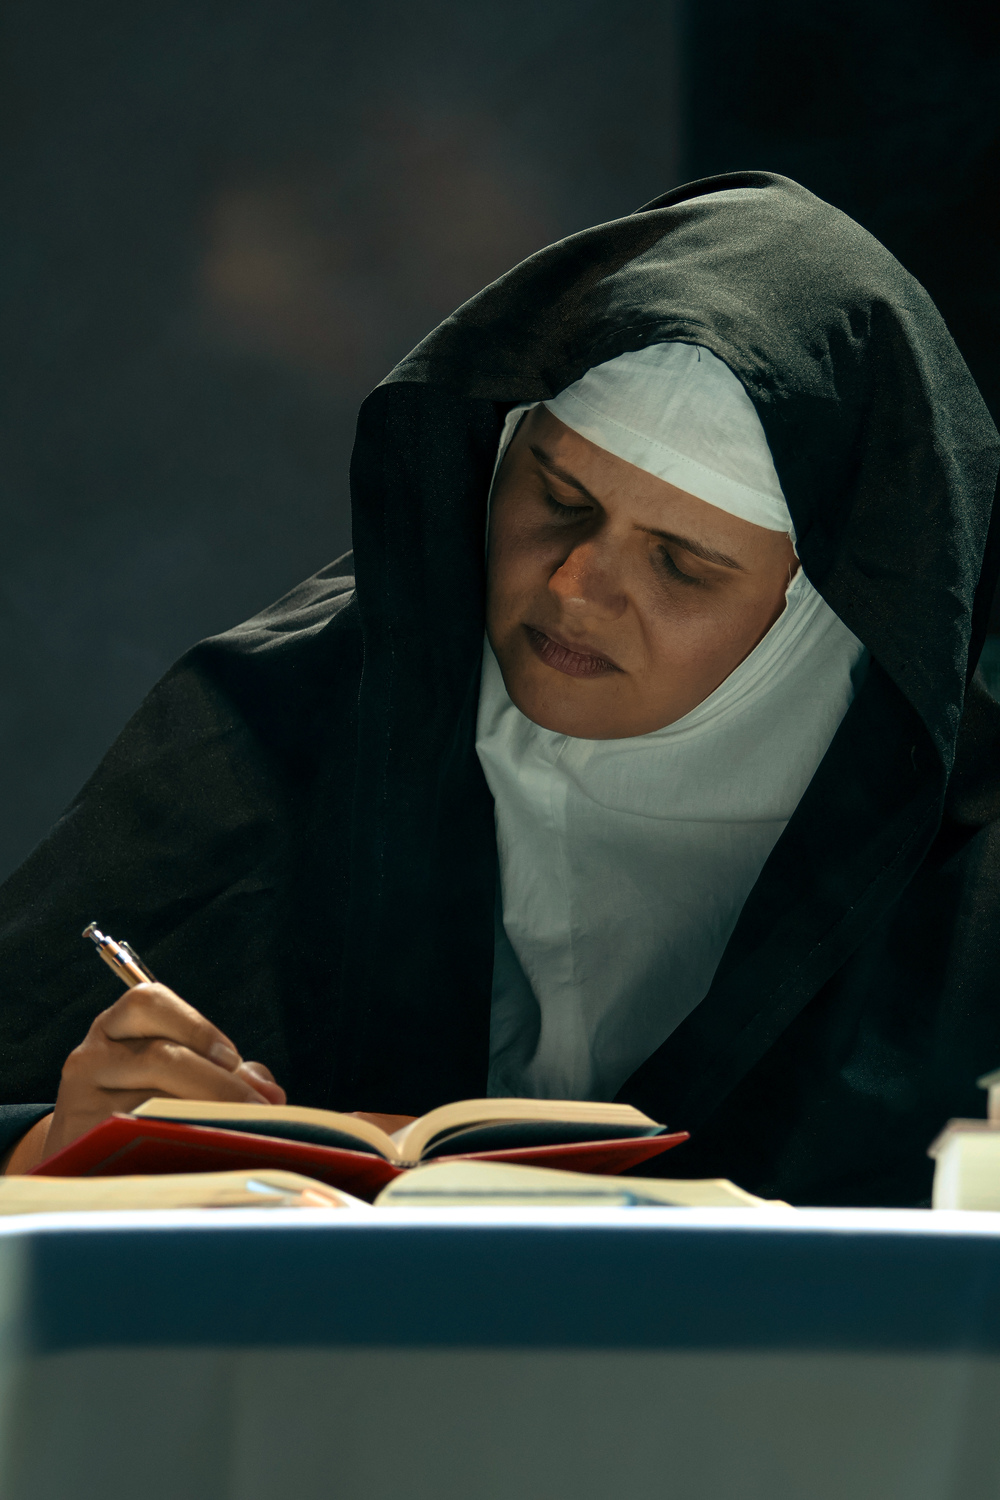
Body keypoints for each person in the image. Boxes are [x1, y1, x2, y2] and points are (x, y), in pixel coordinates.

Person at [0, 170, 997, 1205]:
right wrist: (51, 1152)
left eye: (680, 564)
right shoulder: (281, 718)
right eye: (558, 499)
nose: (574, 588)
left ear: (822, 623)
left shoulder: (966, 874)